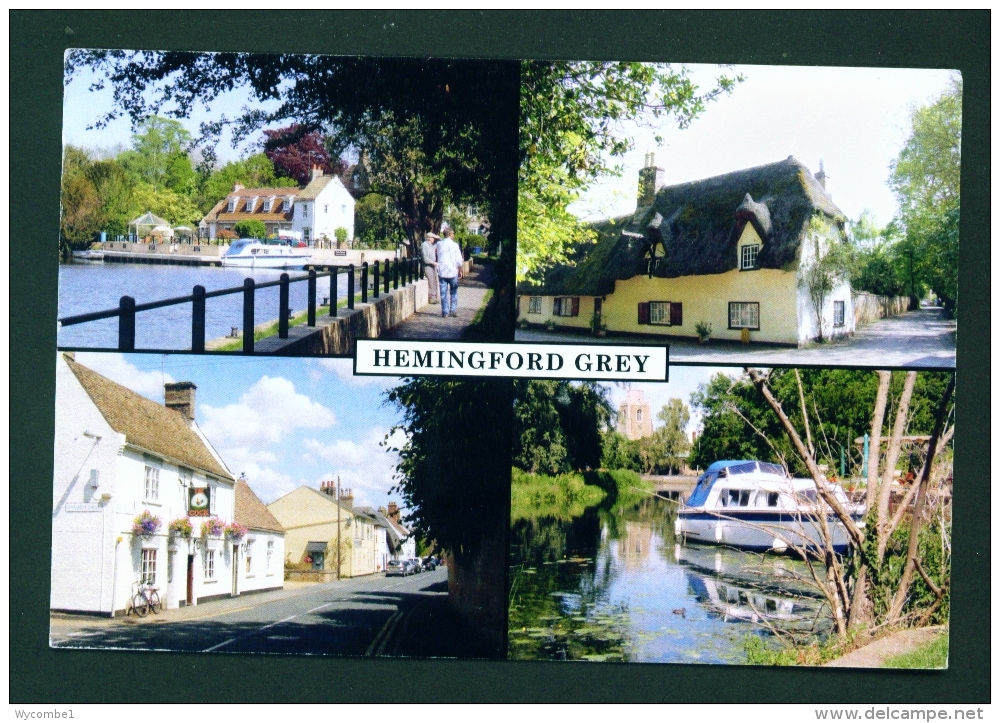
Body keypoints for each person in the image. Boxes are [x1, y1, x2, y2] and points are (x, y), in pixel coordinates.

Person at [435, 227, 464, 318]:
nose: (454, 235)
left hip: (442, 271)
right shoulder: (454, 245)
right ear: (450, 234)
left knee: (443, 293)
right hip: (452, 271)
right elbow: (459, 259)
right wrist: (460, 269)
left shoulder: (439, 244)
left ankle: (445, 311)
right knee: (453, 292)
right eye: (453, 233)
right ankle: (453, 310)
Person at [421, 232, 440, 304]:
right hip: (428, 266)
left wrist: (435, 236)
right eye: (433, 238)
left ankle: (435, 297)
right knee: (431, 281)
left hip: (433, 266)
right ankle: (431, 298)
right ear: (429, 238)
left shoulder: (432, 245)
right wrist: (433, 262)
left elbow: (440, 241)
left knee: (435, 281)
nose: (434, 239)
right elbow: (425, 258)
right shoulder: (424, 245)